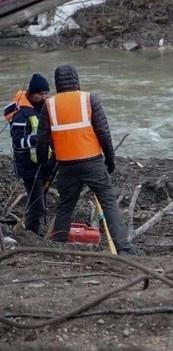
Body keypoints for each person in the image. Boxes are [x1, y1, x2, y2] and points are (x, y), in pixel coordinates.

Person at [36, 65, 135, 254]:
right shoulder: (89, 99)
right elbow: (104, 133)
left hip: (66, 165)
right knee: (108, 202)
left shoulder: (49, 105)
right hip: (92, 162)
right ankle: (124, 248)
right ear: (76, 80)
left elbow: (42, 140)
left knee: (65, 206)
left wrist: (44, 165)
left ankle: (58, 246)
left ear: (57, 83)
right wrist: (110, 159)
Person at [4, 73, 56, 235]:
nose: (44, 97)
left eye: (46, 93)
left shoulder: (43, 108)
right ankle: (32, 234)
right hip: (29, 167)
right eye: (41, 94)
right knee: (37, 204)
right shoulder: (21, 114)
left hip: (45, 163)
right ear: (32, 93)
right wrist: (38, 138)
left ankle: (37, 230)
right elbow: (18, 142)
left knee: (42, 199)